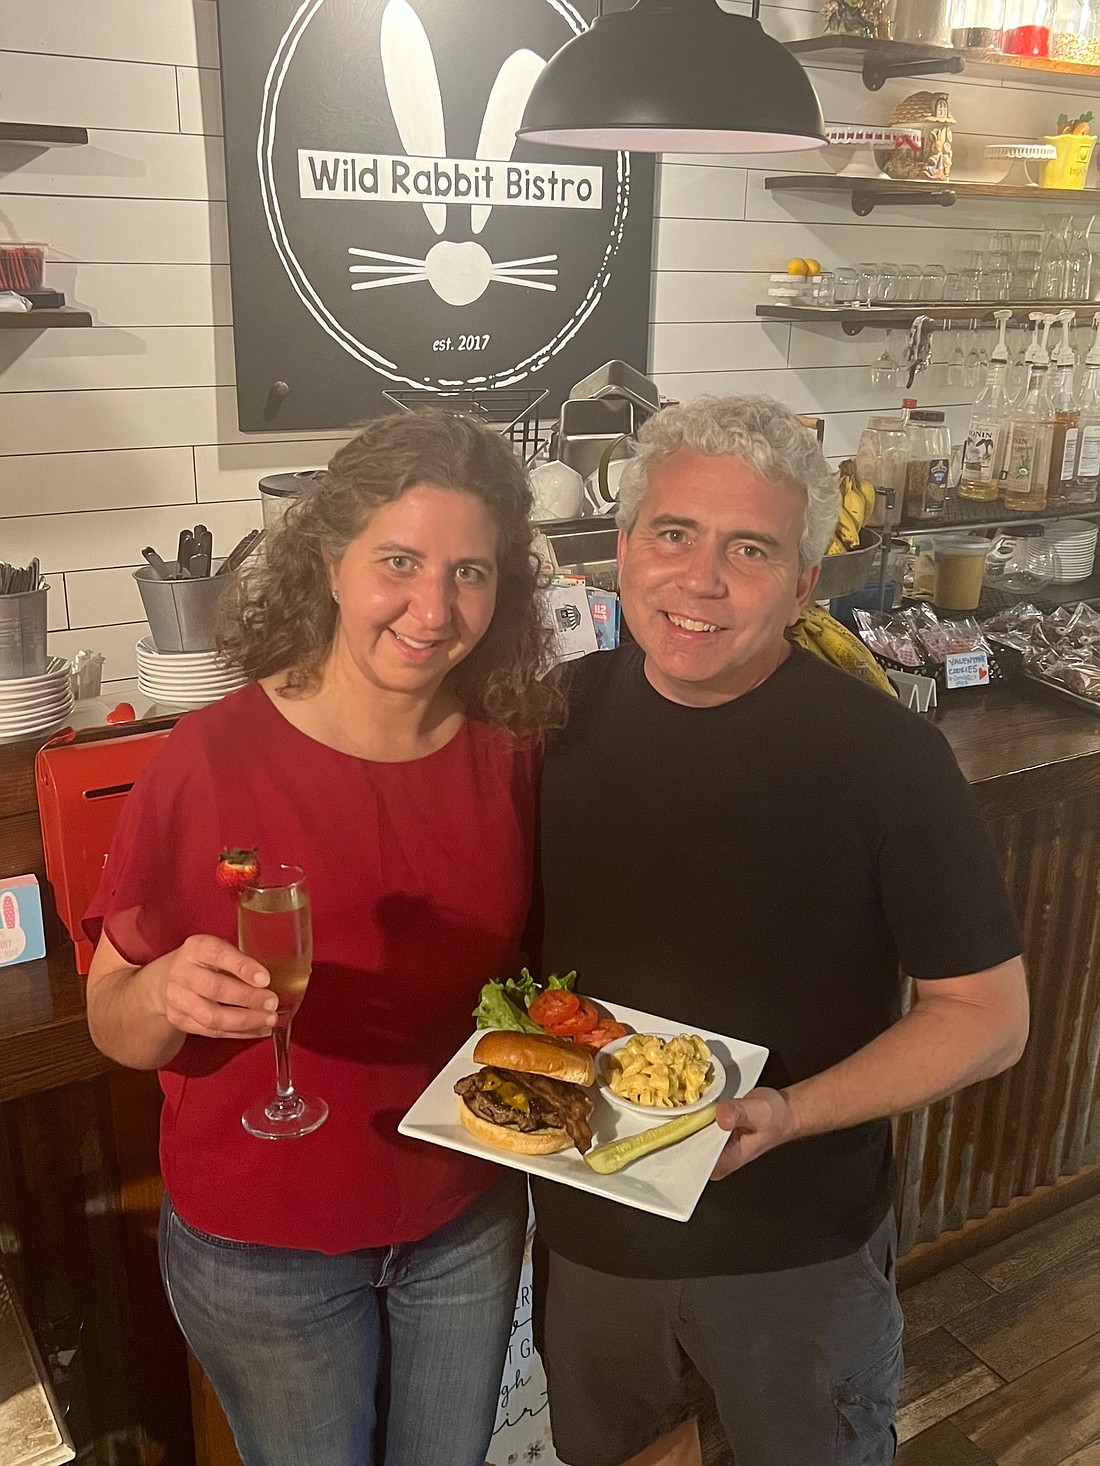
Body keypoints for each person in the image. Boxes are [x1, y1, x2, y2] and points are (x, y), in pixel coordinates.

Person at [530, 395, 1029, 1466]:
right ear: (623, 546)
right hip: (590, 1235)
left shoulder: (887, 759)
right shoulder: (548, 722)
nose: (699, 579)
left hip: (794, 1256)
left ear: (804, 583)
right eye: (674, 533)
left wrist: (791, 1111)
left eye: (748, 549)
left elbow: (987, 1016)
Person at [83, 409, 563, 1466]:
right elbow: (112, 1022)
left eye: (470, 572)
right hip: (266, 1252)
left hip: (463, 1216)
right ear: (331, 560)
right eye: (399, 561)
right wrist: (160, 993)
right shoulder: (209, 758)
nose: (433, 609)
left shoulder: (511, 756)